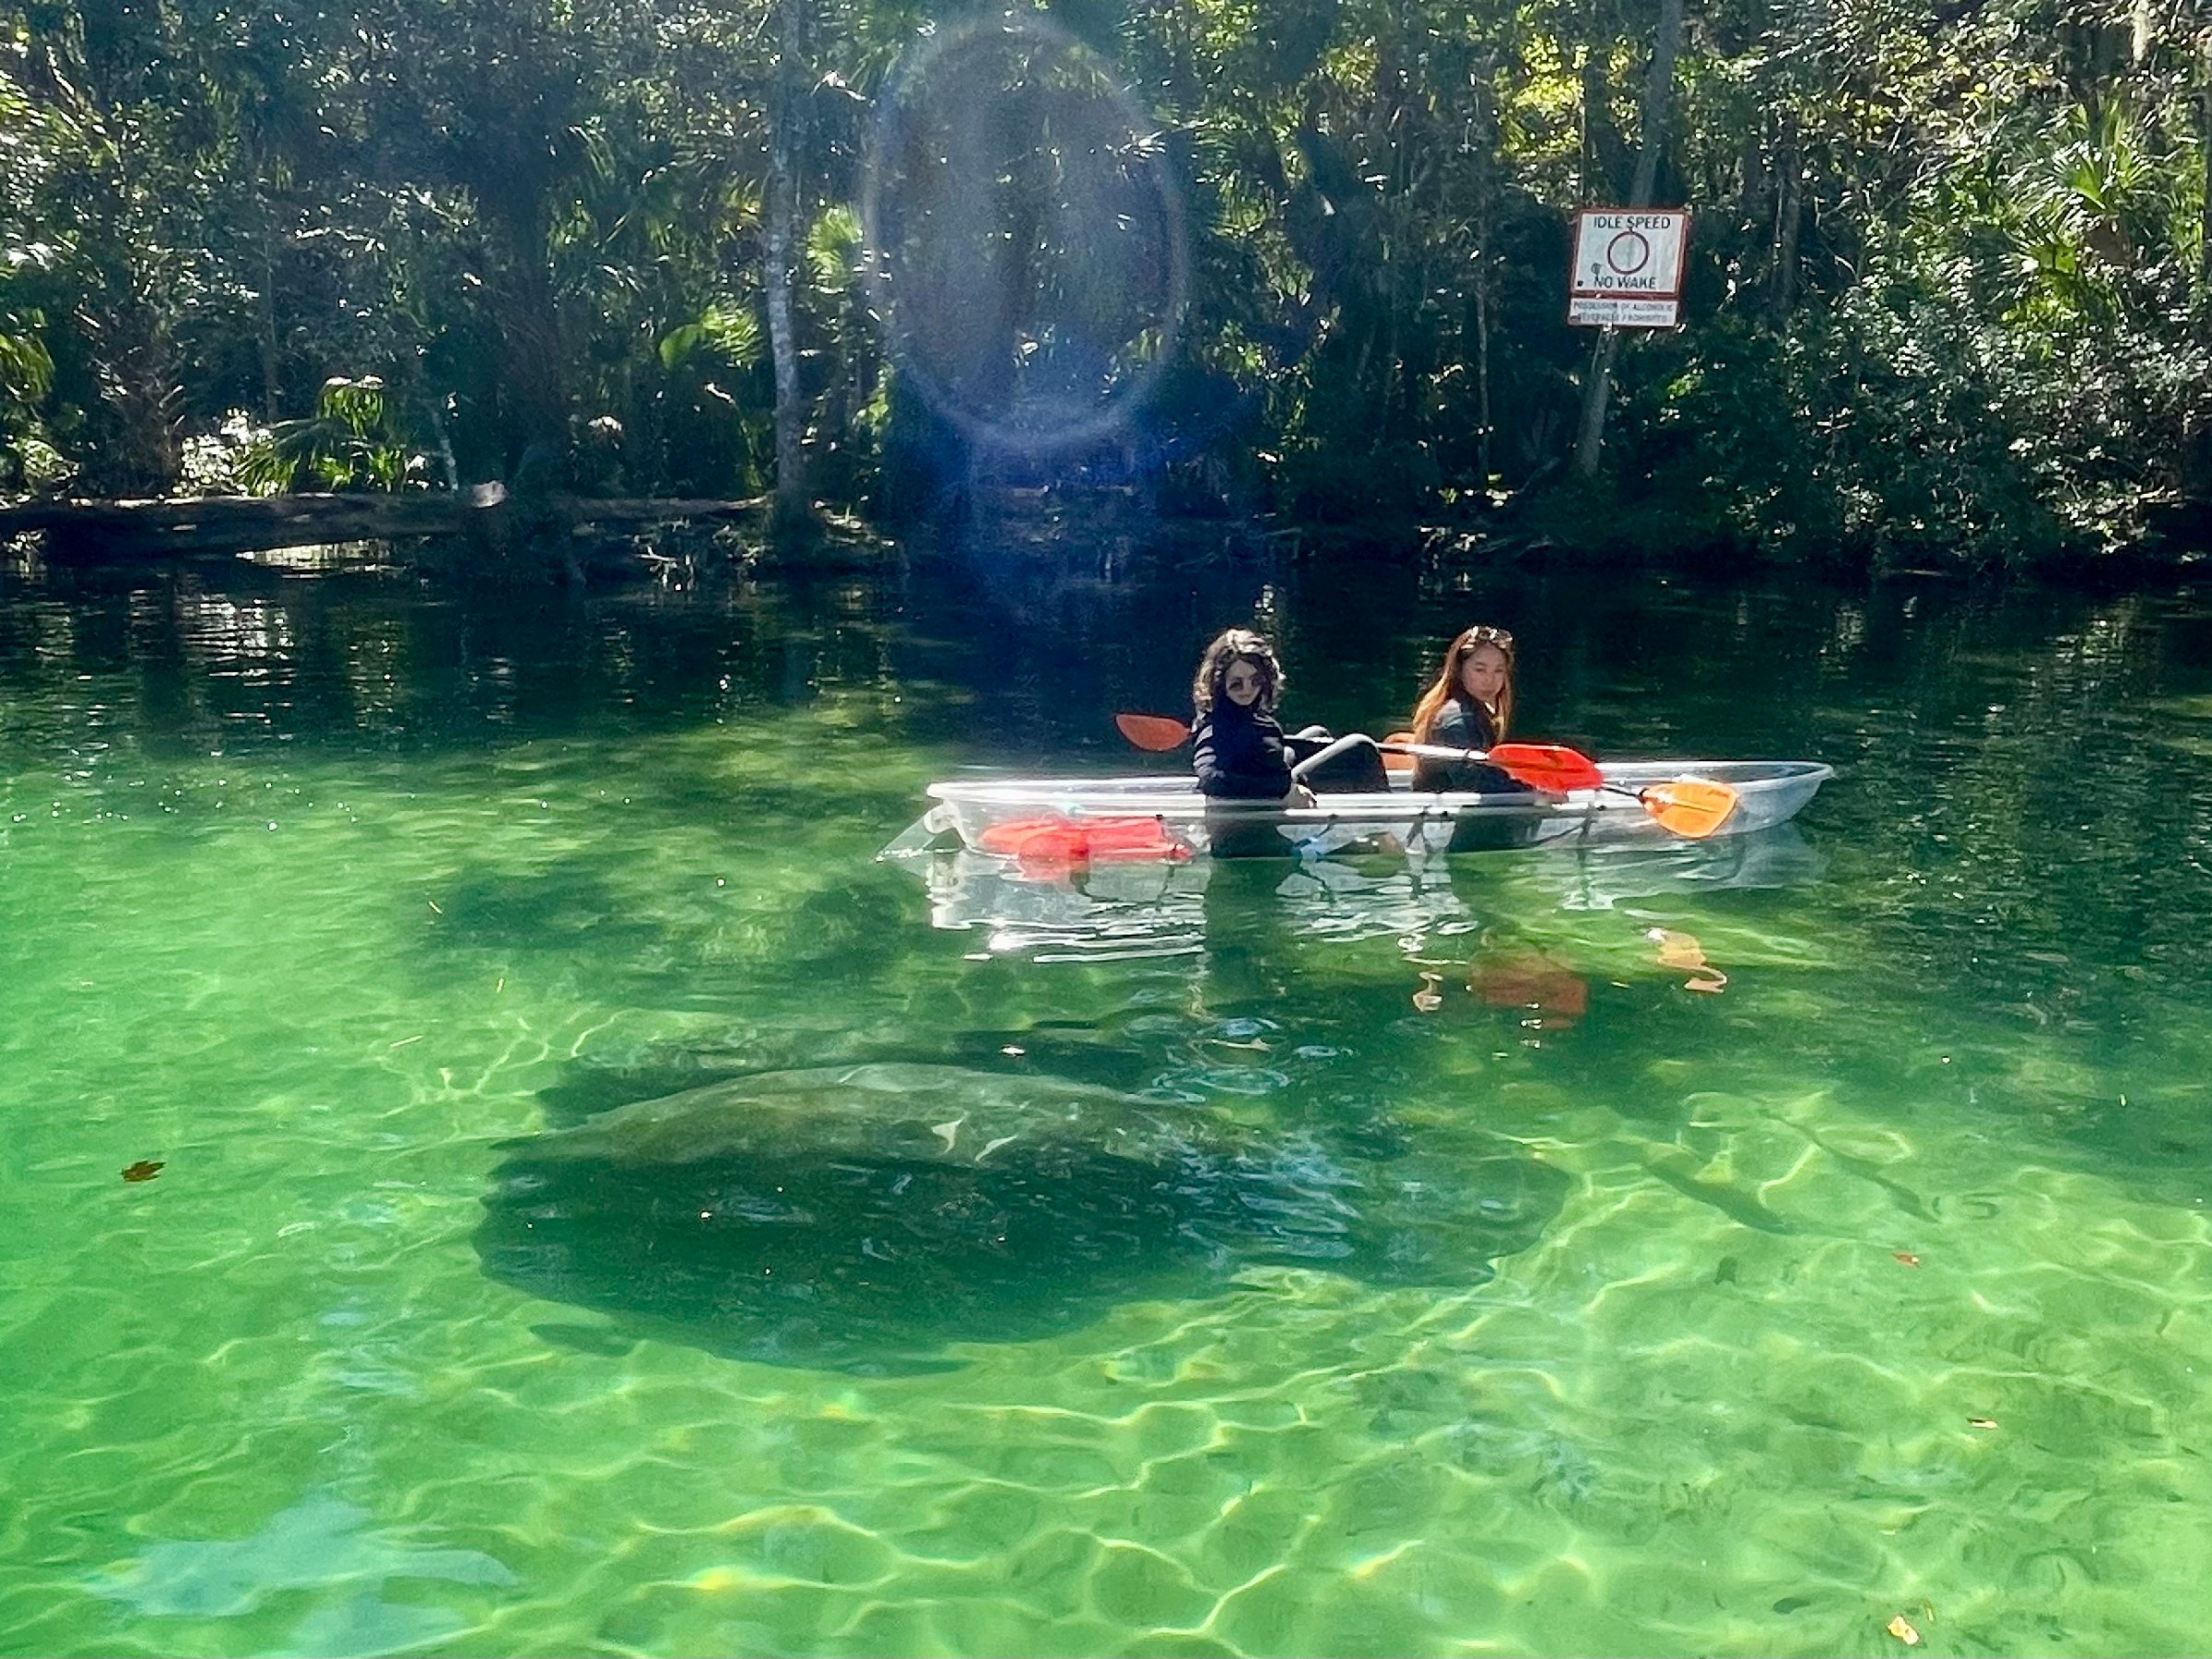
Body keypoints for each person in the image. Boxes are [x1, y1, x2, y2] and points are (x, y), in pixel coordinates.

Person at [1409, 624, 1533, 795]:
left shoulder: (1474, 712)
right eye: (1480, 670)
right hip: (1440, 816)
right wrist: (1534, 792)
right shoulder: (1455, 719)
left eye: (1499, 671)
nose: (1490, 680)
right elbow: (1474, 782)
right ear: (1459, 670)